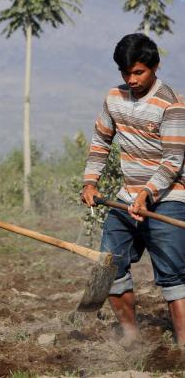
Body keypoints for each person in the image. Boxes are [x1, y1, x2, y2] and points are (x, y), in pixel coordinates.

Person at [82, 33, 185, 345]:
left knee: (174, 277)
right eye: (126, 73)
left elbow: (173, 160)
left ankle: (183, 346)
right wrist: (90, 181)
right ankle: (131, 338)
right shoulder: (114, 98)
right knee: (107, 267)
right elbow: (101, 141)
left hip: (169, 197)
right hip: (127, 200)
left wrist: (147, 195)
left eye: (138, 72)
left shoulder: (172, 104)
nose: (132, 79)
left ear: (154, 67)